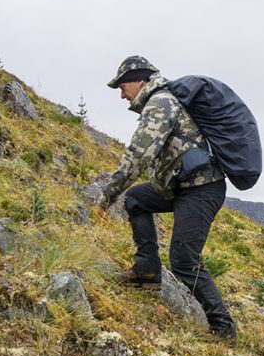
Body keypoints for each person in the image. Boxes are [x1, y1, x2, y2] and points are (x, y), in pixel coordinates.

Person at [99, 55, 236, 339]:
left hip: (200, 188)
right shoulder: (161, 102)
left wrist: (107, 195)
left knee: (184, 259)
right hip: (181, 187)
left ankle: (222, 328)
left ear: (140, 81)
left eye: (123, 87)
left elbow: (138, 153)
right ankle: (146, 270)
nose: (122, 95)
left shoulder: (160, 104)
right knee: (136, 198)